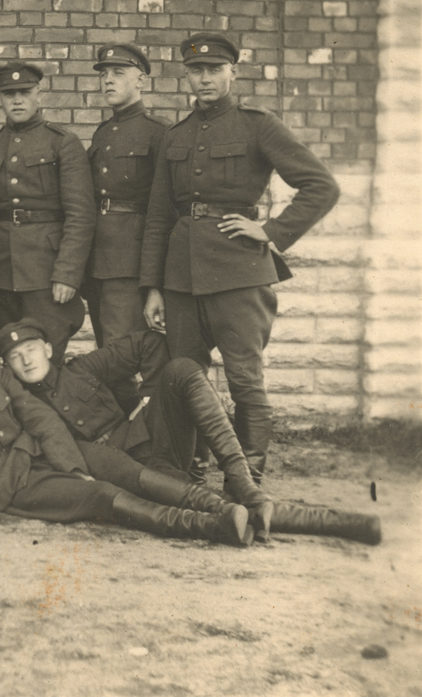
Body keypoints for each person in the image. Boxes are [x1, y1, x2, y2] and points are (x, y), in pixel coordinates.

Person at [140, 32, 341, 484]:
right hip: (180, 277)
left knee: (245, 378)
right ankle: (190, 473)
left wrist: (270, 232)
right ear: (186, 75)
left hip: (239, 271)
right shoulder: (175, 135)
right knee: (184, 374)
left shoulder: (257, 124)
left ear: (233, 71)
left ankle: (247, 478)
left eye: (214, 69)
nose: (205, 78)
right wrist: (152, 287)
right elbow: (158, 217)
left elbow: (321, 185)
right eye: (196, 70)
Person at [1, 318, 381, 545]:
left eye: (31, 349)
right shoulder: (21, 408)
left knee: (181, 370)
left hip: (151, 441)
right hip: (122, 476)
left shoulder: (82, 368)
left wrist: (149, 397)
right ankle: (348, 525)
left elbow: (149, 343)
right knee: (213, 505)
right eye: (16, 357)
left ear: (48, 349)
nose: (26, 360)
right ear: (8, 368)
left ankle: (243, 481)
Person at [0, 325, 253, 546]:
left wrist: (75, 467)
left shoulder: (3, 380)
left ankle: (230, 502)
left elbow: (44, 423)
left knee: (126, 469)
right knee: (103, 492)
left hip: (59, 455)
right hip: (12, 484)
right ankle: (213, 524)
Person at [0, 61, 95, 363]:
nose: (17, 100)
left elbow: (80, 215)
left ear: (38, 94)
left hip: (46, 273)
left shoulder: (62, 142)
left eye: (24, 92)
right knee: (8, 359)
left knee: (46, 362)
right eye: (9, 94)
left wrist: (67, 274)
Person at [84, 43, 168, 348]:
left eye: (118, 72)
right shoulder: (103, 132)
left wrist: (154, 281)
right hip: (98, 259)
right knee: (107, 349)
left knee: (123, 350)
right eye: (103, 74)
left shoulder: (159, 132)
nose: (108, 80)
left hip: (131, 262)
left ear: (141, 80)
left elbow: (164, 210)